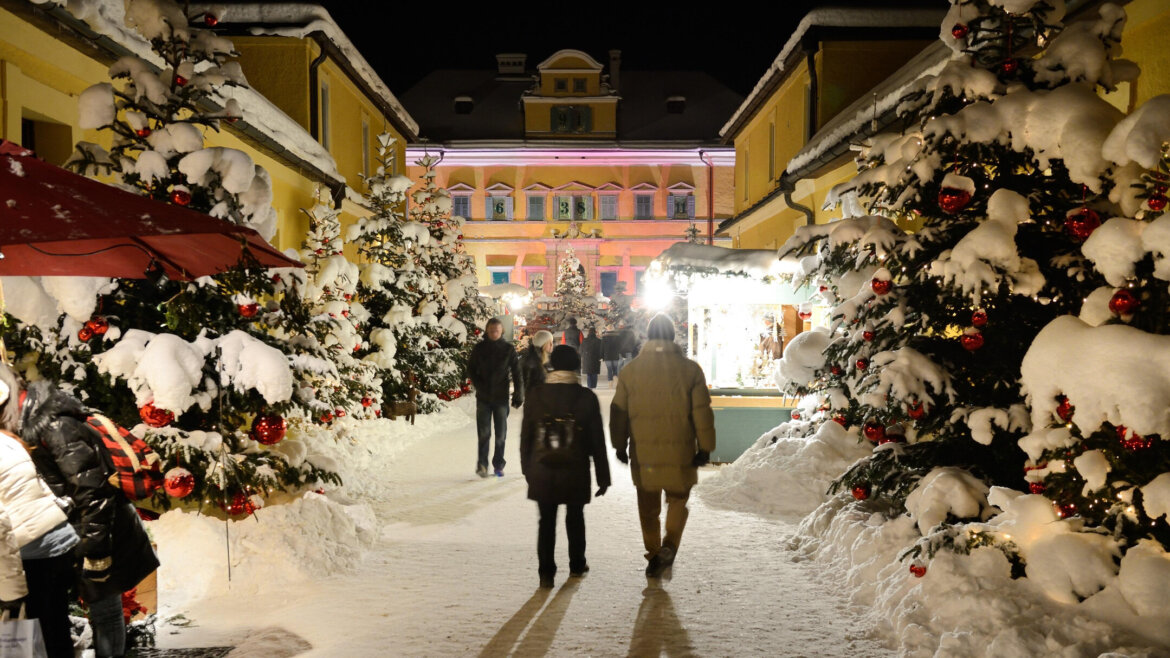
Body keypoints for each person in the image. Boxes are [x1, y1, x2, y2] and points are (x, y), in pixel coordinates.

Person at [17, 373, 159, 658]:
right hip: (59, 533)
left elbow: (93, 492)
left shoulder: (55, 425)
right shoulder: (22, 425)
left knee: (104, 610)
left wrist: (97, 553)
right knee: (45, 616)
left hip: (96, 528)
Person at [609, 314, 715, 578]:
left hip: (643, 452)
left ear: (648, 335)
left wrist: (619, 444)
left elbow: (619, 411)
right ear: (672, 335)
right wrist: (705, 446)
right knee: (678, 500)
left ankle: (654, 551)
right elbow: (702, 411)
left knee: (648, 507)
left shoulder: (631, 370)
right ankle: (670, 545)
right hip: (681, 450)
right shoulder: (690, 370)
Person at [0, 366, 80, 658]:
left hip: (32, 554)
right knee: (54, 631)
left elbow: (1, 532)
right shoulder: (8, 440)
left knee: (33, 641)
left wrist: (11, 594)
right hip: (57, 543)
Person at [520, 345, 610, 589]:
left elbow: (526, 436)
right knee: (575, 517)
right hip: (575, 467)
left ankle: (546, 573)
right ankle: (577, 564)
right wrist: (603, 476)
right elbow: (597, 440)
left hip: (542, 467)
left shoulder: (536, 395)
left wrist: (527, 468)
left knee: (546, 521)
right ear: (575, 366)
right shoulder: (585, 397)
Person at [468, 318, 523, 477]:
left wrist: (519, 393)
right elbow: (471, 369)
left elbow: (517, 372)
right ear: (487, 331)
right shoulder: (479, 348)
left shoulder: (508, 349)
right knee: (484, 434)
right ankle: (482, 465)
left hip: (501, 398)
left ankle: (498, 464)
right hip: (484, 398)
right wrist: (479, 384)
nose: (494, 333)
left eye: (497, 331)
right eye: (491, 331)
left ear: (501, 331)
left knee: (501, 434)